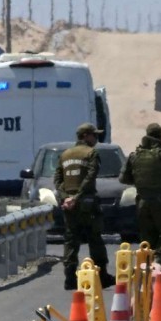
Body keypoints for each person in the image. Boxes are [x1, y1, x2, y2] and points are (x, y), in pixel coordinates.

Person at [55, 123, 116, 291]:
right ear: (85, 136)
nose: (96, 138)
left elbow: (58, 180)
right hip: (86, 203)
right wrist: (77, 197)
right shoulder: (91, 153)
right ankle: (102, 276)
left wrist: (66, 197)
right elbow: (90, 178)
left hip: (70, 205)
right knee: (95, 238)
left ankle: (69, 278)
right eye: (93, 135)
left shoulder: (65, 155)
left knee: (71, 239)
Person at [119, 123, 161, 266]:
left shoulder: (134, 156)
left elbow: (123, 178)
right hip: (160, 202)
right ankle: (159, 259)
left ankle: (146, 267)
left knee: (147, 239)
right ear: (160, 136)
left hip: (142, 203)